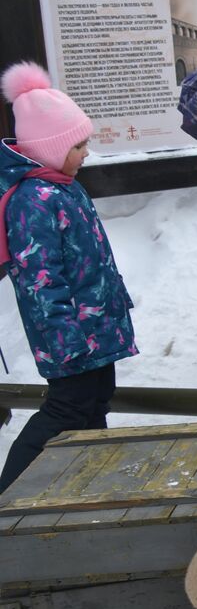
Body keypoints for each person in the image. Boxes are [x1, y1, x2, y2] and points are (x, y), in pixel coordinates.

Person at [1, 62, 137, 492]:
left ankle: (86, 480)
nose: (86, 153)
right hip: (70, 336)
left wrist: (115, 305)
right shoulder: (32, 201)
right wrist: (64, 339)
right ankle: (8, 492)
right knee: (66, 410)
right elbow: (40, 281)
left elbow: (91, 256)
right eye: (77, 145)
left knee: (96, 405)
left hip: (97, 326)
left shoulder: (63, 186)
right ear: (48, 148)